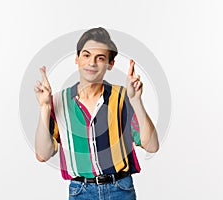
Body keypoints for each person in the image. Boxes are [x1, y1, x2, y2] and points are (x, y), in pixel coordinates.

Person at [34, 27, 159, 200]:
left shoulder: (123, 97)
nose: (92, 63)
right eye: (86, 55)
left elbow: (152, 146)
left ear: (110, 64)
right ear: (77, 59)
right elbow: (42, 154)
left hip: (120, 190)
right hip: (80, 192)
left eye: (100, 58)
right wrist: (44, 107)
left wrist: (136, 100)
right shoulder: (57, 101)